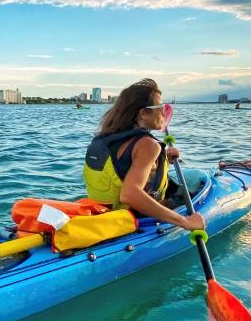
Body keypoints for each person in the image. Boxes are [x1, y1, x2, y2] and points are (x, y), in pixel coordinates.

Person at [83, 78, 206, 231]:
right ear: (142, 113)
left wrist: (164, 160)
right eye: (159, 106)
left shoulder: (105, 137)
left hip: (103, 214)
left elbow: (120, 168)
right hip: (132, 220)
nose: (164, 111)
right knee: (193, 190)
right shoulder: (148, 145)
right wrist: (185, 222)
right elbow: (129, 195)